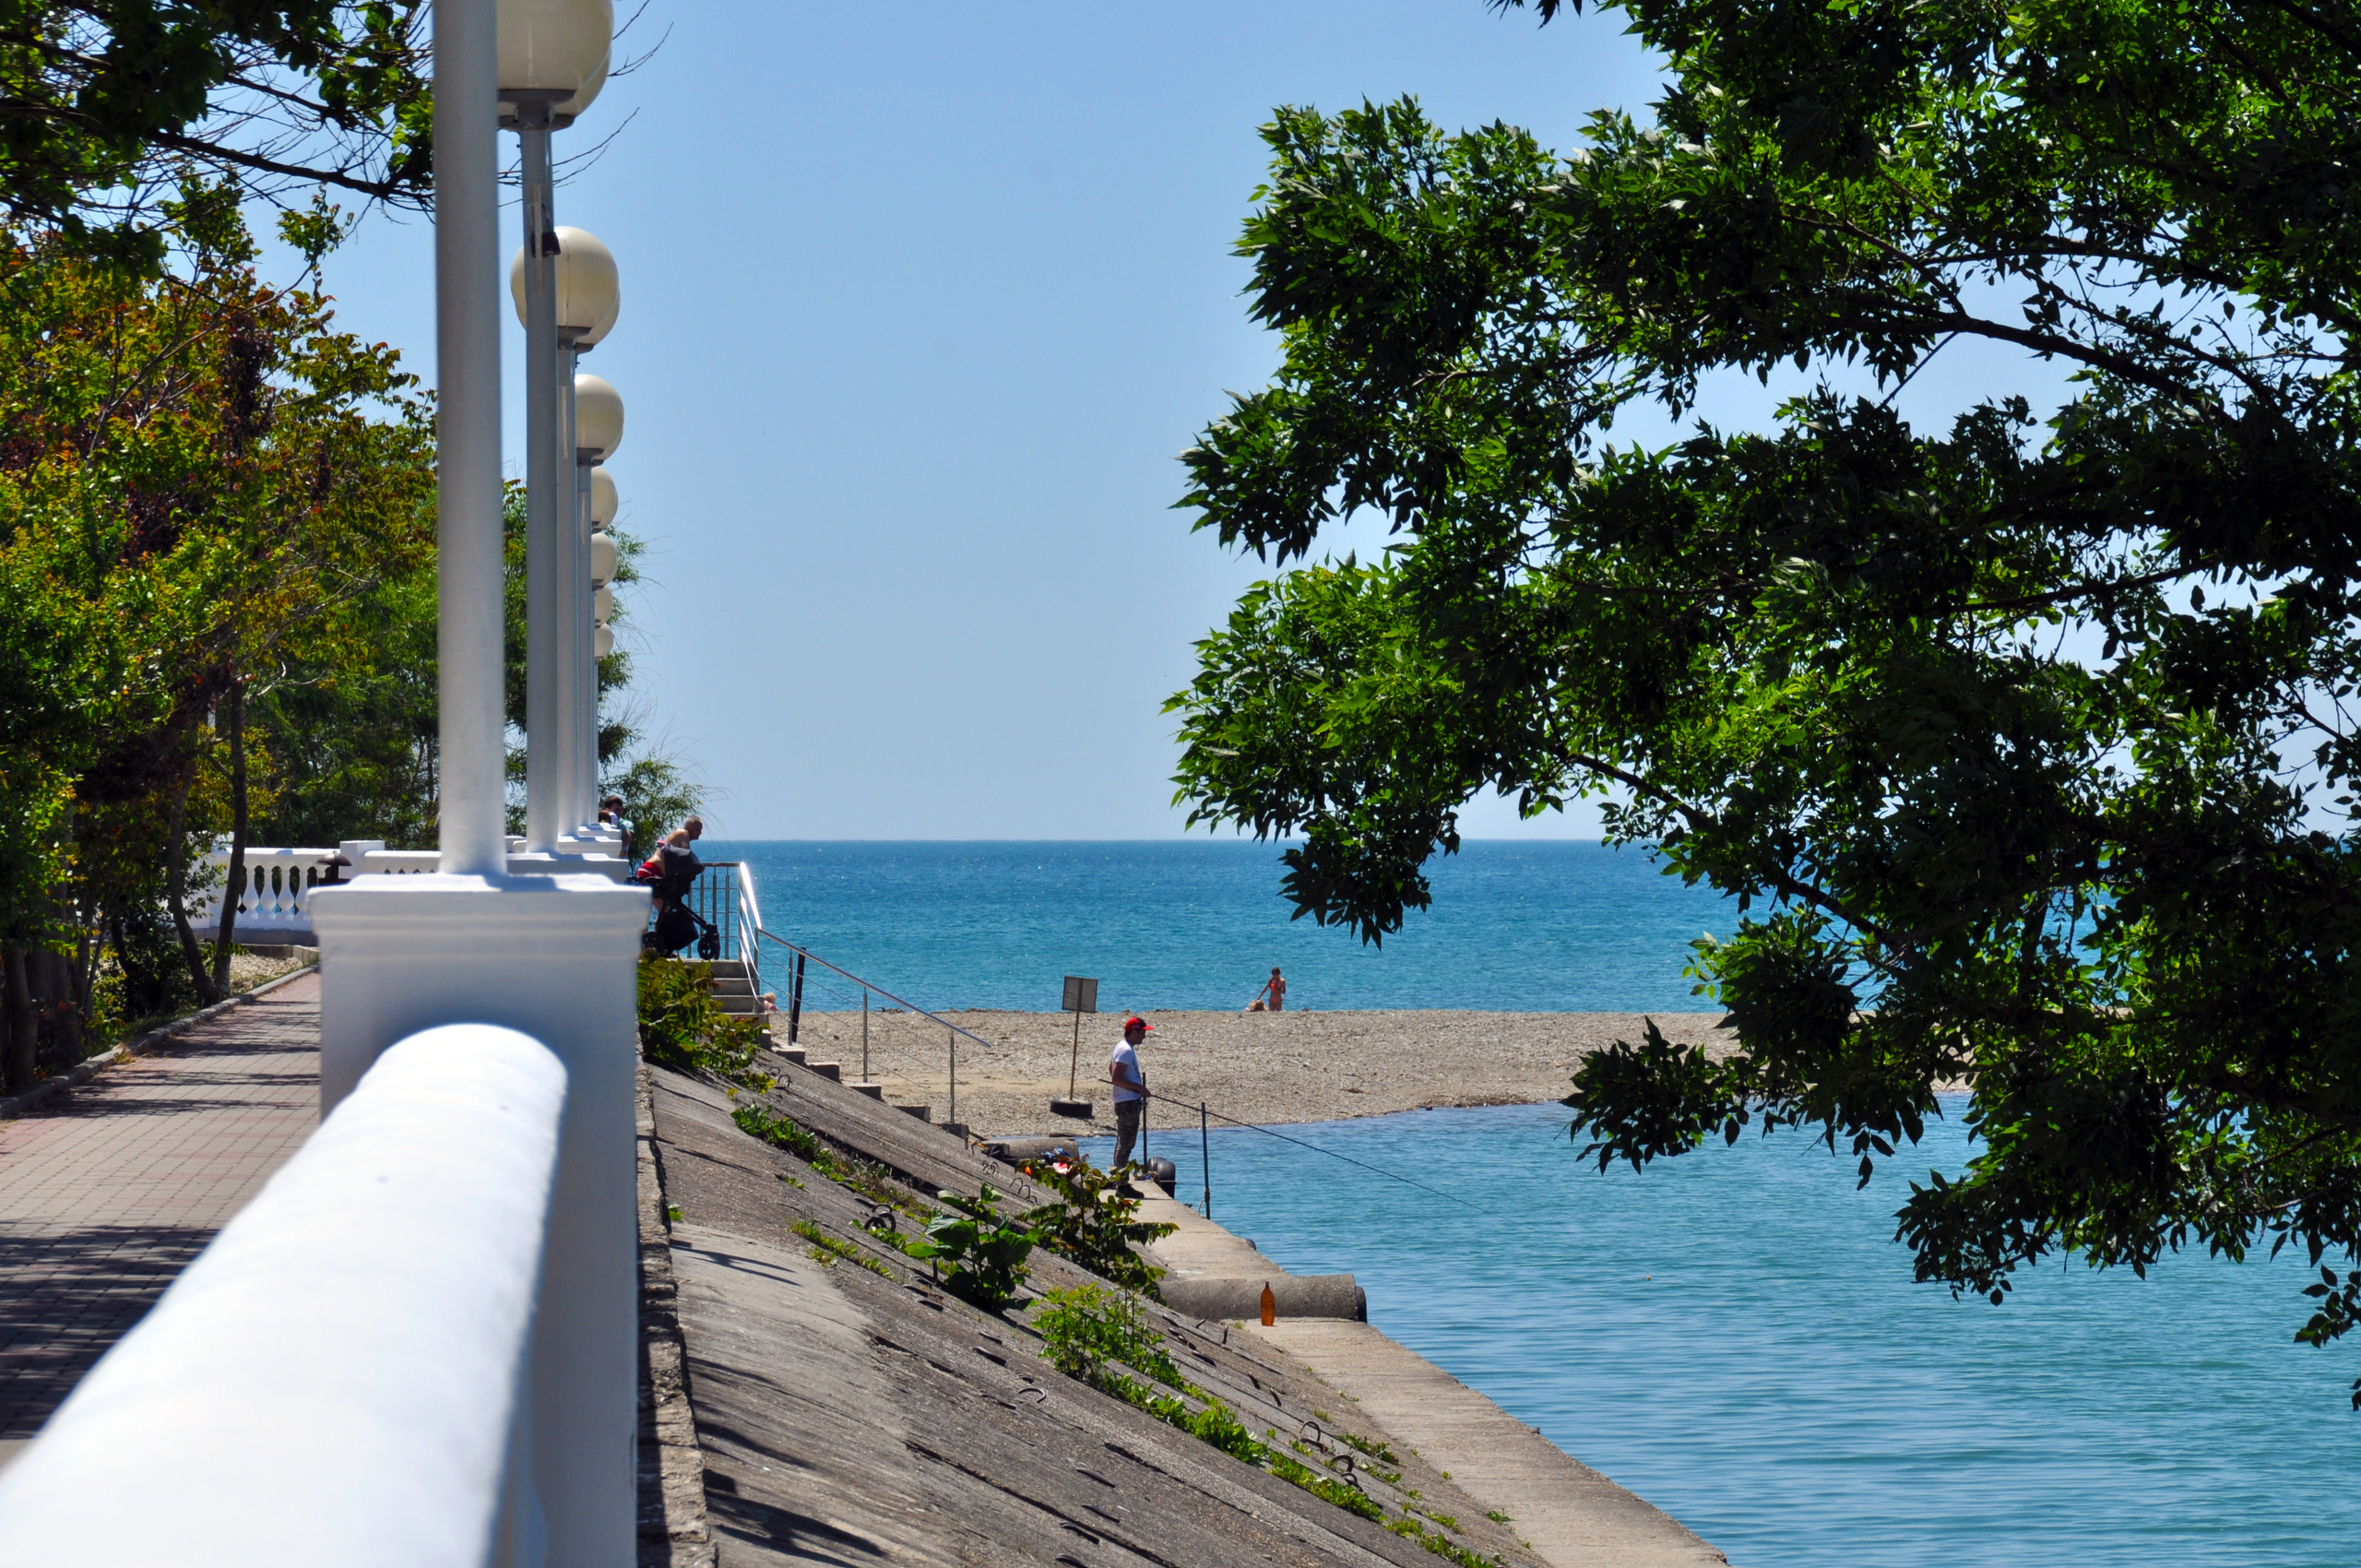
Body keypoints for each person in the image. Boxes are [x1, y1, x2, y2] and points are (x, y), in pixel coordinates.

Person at [1109, 1015, 1151, 1168]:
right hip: (1127, 1103)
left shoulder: (1122, 1047)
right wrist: (1140, 1088)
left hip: (1126, 1100)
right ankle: (1122, 1182)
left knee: (1123, 1141)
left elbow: (1110, 1069)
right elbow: (1116, 1078)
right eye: (1143, 1032)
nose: (1145, 1036)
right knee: (1126, 1144)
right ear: (1134, 1032)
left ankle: (1118, 1176)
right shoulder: (1125, 1050)